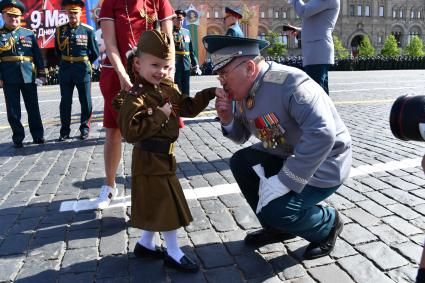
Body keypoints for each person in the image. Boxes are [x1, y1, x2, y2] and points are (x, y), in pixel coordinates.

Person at [205, 35, 352, 259]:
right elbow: (241, 136)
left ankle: (327, 224)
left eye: (224, 74)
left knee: (278, 209)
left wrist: (285, 179)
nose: (221, 82)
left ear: (249, 67)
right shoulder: (244, 88)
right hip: (286, 153)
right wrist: (227, 118)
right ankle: (279, 228)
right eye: (219, 75)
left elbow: (322, 134)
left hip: (323, 162)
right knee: (241, 162)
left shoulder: (290, 83)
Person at [113, 30, 218, 272]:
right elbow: (130, 133)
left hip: (165, 157)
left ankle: (145, 244)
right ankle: (173, 252)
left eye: (165, 66)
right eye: (154, 65)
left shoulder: (166, 87)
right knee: (168, 204)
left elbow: (188, 108)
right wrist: (159, 116)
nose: (160, 71)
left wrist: (210, 93)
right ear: (138, 64)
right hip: (148, 159)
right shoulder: (135, 97)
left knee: (156, 202)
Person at [95, 0, 175, 209]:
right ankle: (109, 185)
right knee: (113, 131)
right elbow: (110, 43)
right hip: (117, 74)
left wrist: (170, 73)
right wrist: (123, 75)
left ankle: (151, 187)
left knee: (154, 130)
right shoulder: (110, 3)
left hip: (153, 73)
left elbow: (168, 41)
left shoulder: (159, 2)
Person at [0, 0, 46, 148]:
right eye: (10, 16)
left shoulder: (29, 34)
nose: (14, 19)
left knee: (33, 107)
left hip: (28, 75)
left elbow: (37, 56)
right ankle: (18, 137)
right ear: (3, 16)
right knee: (13, 110)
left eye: (16, 16)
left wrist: (41, 73)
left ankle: (38, 136)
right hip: (9, 76)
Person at [55, 0, 100, 141]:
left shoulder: (88, 30)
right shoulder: (60, 30)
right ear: (66, 13)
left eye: (75, 12)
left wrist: (85, 63)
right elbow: (57, 52)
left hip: (82, 69)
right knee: (65, 101)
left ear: (80, 13)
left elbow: (95, 52)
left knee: (85, 101)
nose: (72, 15)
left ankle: (84, 129)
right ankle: (64, 131)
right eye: (70, 12)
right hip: (66, 70)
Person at [284, 0, 340, 95]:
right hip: (317, 51)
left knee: (316, 93)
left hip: (317, 52)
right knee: (321, 93)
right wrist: (300, 31)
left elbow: (303, 11)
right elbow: (319, 25)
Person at [173, 9, 201, 96]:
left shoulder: (187, 32)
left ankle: (186, 106)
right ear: (174, 19)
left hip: (186, 64)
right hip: (175, 64)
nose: (180, 21)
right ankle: (177, 107)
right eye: (178, 19)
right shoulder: (170, 31)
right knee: (177, 88)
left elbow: (191, 50)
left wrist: (196, 64)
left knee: (186, 88)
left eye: (182, 19)